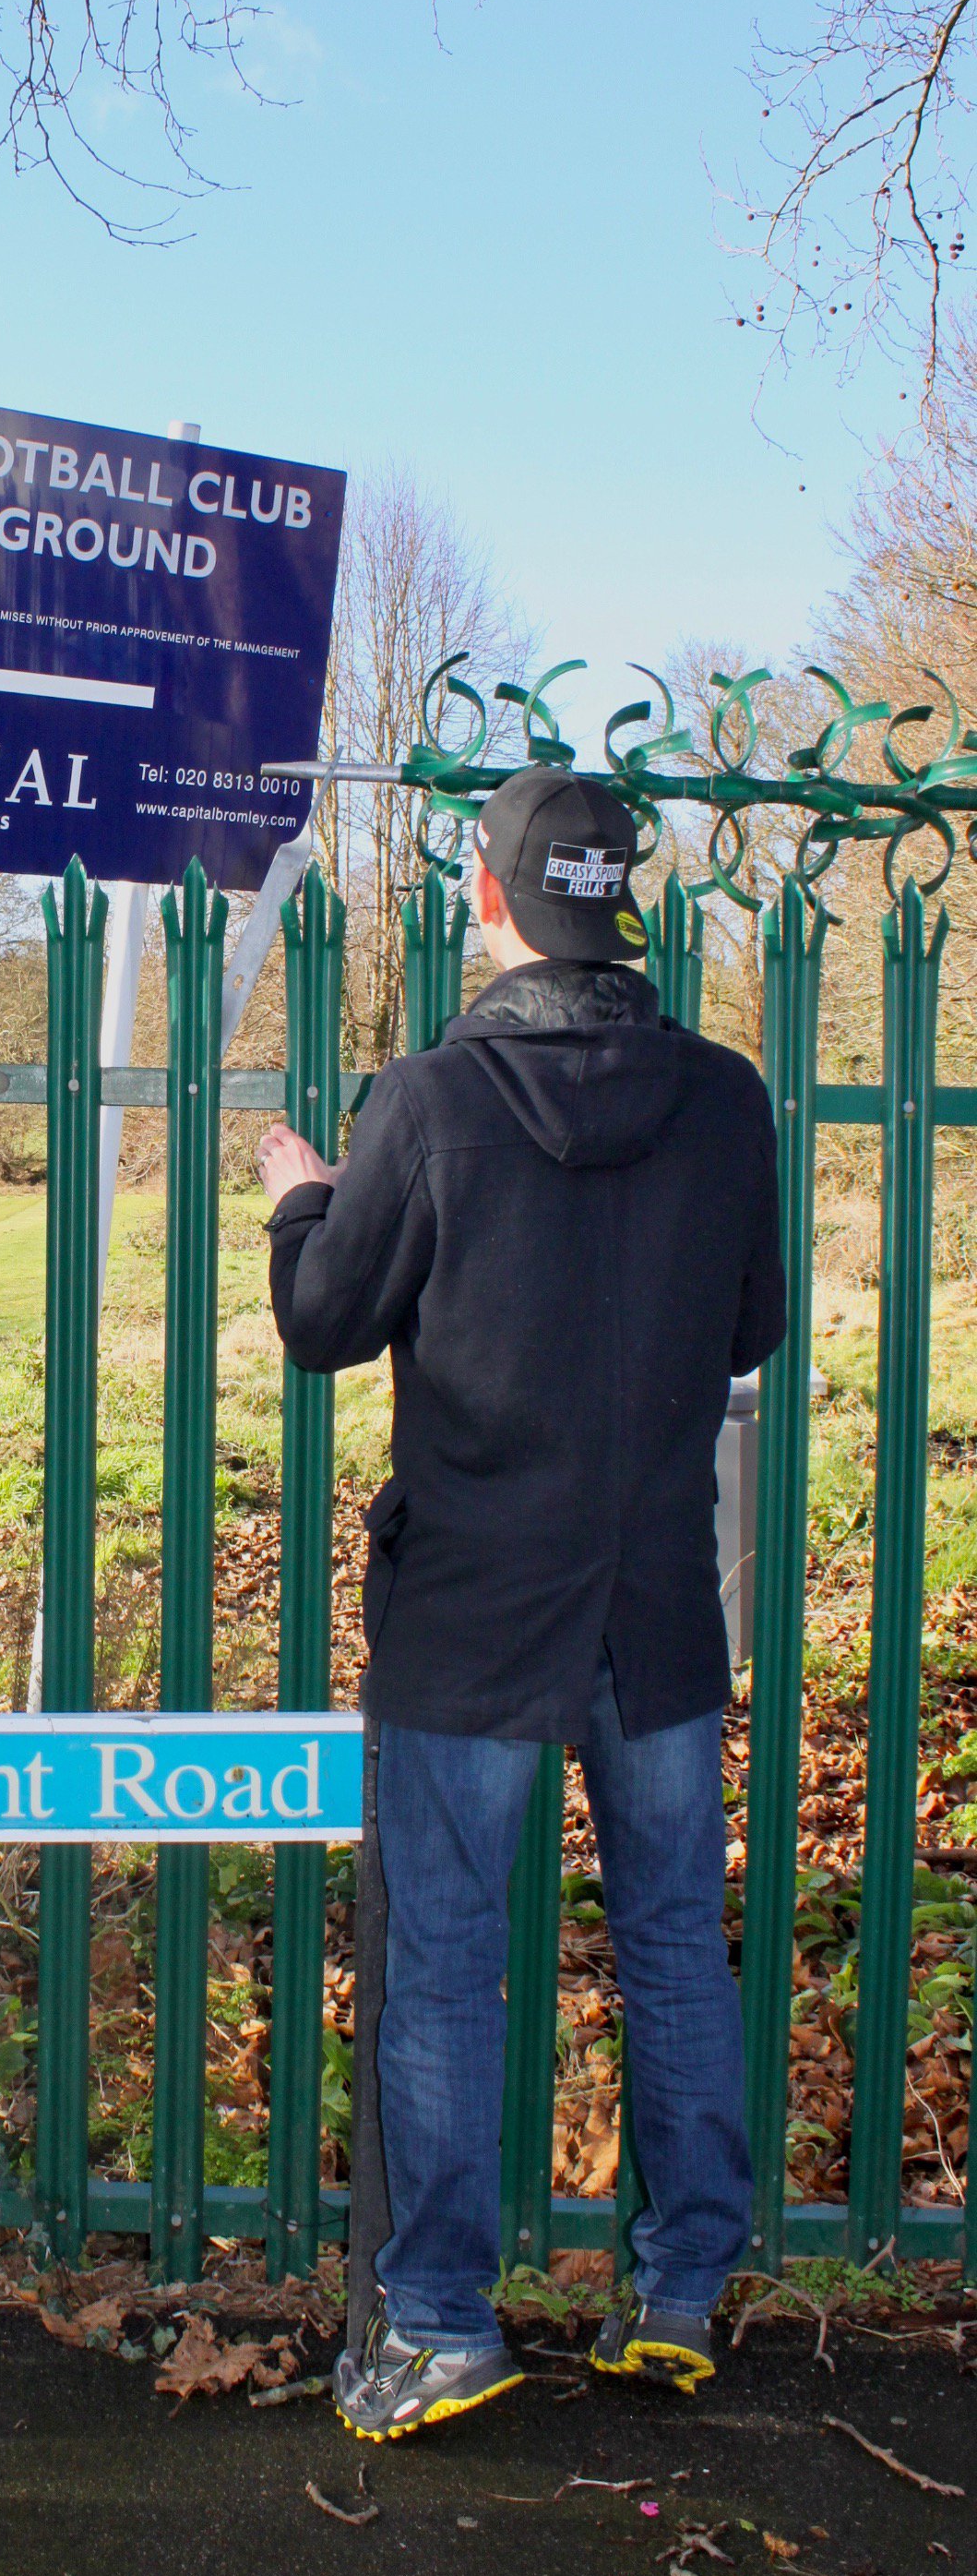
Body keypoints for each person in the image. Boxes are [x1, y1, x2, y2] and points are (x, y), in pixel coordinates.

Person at [257, 769, 786, 2442]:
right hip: (653, 1598)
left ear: (492, 904)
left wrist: (301, 1191)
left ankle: (436, 2324)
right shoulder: (726, 1098)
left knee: (449, 1964)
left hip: (477, 1603)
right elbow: (751, 1326)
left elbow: (326, 1322)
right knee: (670, 1952)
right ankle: (686, 2286)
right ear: (620, 906)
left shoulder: (427, 1100)